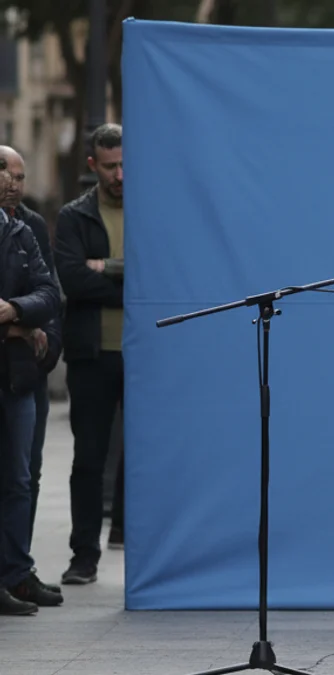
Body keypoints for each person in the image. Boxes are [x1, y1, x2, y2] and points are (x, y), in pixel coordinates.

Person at [55, 123, 125, 585]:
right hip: (91, 353)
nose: (119, 174)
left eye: (124, 164)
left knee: (143, 453)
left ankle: (127, 535)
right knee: (89, 457)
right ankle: (84, 555)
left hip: (144, 352)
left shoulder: (154, 208)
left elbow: (165, 273)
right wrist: (130, 282)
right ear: (92, 166)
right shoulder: (74, 216)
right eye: (109, 166)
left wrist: (108, 268)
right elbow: (74, 280)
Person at [0, 161, 63, 614]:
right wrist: (20, 326)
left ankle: (15, 575)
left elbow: (50, 294)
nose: (14, 184)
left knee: (21, 479)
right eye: (7, 175)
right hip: (15, 355)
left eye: (21, 177)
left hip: (19, 375)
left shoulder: (24, 230)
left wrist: (16, 312)